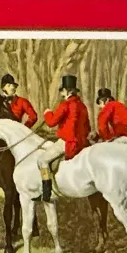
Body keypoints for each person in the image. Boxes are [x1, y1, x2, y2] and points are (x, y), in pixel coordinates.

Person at [39, 75, 91, 203]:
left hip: (67, 142)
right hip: (83, 143)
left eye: (62, 91)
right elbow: (88, 128)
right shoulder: (82, 106)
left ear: (67, 91)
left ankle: (47, 193)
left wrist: (47, 113)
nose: (61, 93)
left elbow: (51, 122)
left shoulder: (65, 105)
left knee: (42, 160)